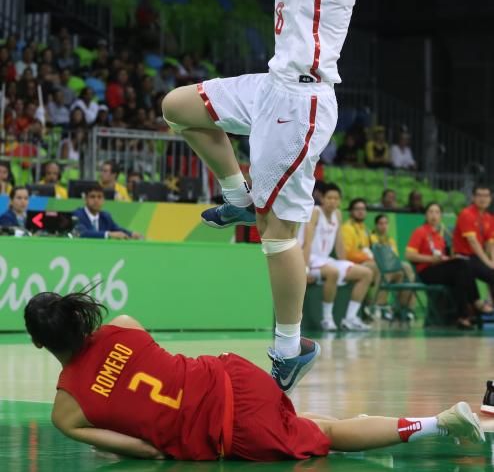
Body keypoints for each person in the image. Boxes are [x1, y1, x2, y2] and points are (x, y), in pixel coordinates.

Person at [162, 0, 374, 390]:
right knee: (179, 106)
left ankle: (289, 345)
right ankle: (235, 194)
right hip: (269, 85)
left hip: (303, 101)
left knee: (276, 232)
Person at [24, 290, 484, 461]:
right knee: (304, 421)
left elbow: (149, 451)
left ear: (40, 343)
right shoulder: (122, 324)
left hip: (230, 429)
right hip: (233, 376)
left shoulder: (67, 412)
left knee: (326, 433)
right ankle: (354, 416)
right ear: (78, 316)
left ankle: (440, 422)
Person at [406, 202, 493, 329]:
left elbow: (442, 256)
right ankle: (475, 303)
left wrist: (450, 258)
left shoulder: (440, 235)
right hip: (426, 271)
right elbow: (409, 255)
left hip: (439, 268)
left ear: (441, 215)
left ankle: (464, 316)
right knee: (461, 267)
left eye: (437, 212)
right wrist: (431, 259)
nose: (434, 215)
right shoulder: (420, 232)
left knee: (464, 264)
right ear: (426, 215)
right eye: (430, 212)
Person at [299, 183, 373, 331]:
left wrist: (345, 264)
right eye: (329, 198)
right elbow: (306, 243)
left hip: (325, 260)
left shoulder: (337, 214)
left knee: (366, 273)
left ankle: (350, 318)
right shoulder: (315, 212)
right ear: (323, 199)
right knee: (333, 272)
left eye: (336, 198)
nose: (333, 201)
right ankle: (327, 319)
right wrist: (304, 270)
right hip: (307, 258)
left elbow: (339, 244)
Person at [452, 184, 494, 301]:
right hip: (464, 258)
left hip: (477, 258)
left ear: (490, 198)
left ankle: (489, 303)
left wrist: (492, 261)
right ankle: (483, 305)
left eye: (486, 195)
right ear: (473, 198)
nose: (483, 198)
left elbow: (491, 244)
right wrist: (488, 263)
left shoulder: (489, 218)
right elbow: (473, 242)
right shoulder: (467, 214)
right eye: (479, 195)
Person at [370, 214, 416, 320]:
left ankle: (405, 305)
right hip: (379, 265)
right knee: (386, 270)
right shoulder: (372, 238)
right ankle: (379, 304)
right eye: (381, 224)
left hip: (391, 265)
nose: (384, 226)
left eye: (386, 223)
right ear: (376, 225)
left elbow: (395, 258)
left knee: (407, 268)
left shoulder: (390, 240)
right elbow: (379, 256)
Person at [72, 184, 141, 239]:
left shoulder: (105, 216)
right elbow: (82, 233)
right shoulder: (77, 214)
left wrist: (131, 234)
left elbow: (117, 229)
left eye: (99, 197)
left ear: (103, 200)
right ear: (85, 199)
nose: (96, 200)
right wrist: (108, 234)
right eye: (92, 197)